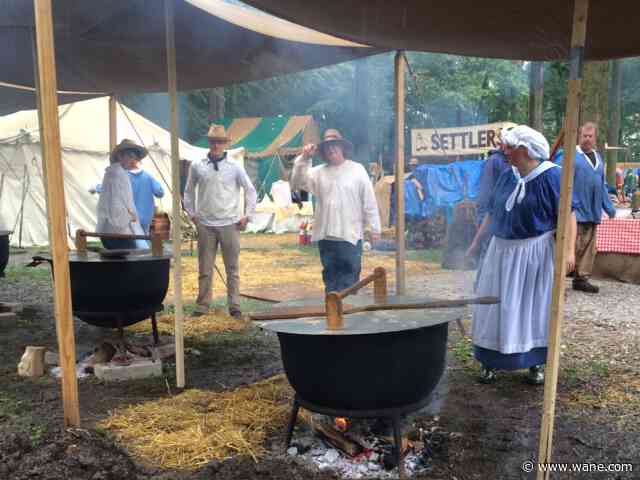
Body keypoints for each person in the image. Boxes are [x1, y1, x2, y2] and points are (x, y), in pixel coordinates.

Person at [466, 125, 577, 385]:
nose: (504, 151)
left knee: (532, 308)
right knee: (493, 307)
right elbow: (493, 212)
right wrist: (475, 243)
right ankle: (489, 361)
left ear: (524, 151)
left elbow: (569, 214)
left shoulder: (553, 177)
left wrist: (570, 250)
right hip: (500, 251)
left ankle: (535, 363)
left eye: (509, 147)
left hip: (534, 254)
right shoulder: (508, 175)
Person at [291, 128, 381, 293]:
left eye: (335, 145)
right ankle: (332, 316)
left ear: (342, 148)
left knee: (350, 283)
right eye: (327, 146)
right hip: (326, 237)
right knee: (331, 283)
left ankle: (350, 316)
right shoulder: (317, 173)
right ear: (323, 151)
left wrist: (375, 229)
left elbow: (369, 201)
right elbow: (296, 186)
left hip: (350, 236)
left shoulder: (357, 169)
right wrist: (304, 159)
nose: (331, 149)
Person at [184, 125, 257, 319]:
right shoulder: (197, 164)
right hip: (206, 224)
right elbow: (189, 191)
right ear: (209, 142)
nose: (216, 145)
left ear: (225, 144)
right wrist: (191, 213)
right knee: (205, 268)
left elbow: (250, 190)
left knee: (232, 268)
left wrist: (247, 215)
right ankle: (202, 305)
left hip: (230, 224)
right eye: (213, 141)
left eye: (220, 142)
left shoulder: (234, 166)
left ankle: (234, 306)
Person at [555, 122, 616, 294]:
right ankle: (557, 279)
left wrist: (609, 207)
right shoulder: (568, 155)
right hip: (575, 211)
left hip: (593, 211)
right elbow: (559, 181)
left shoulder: (599, 158)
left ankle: (581, 279)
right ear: (579, 136)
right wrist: (569, 205)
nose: (587, 139)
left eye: (590, 136)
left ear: (595, 138)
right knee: (571, 245)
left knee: (589, 248)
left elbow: (601, 185)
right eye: (584, 136)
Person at [96, 139, 147, 249]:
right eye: (130, 156)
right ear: (120, 156)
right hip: (117, 231)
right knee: (130, 262)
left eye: (135, 157)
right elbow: (116, 206)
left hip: (110, 230)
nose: (133, 160)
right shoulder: (118, 174)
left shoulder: (113, 172)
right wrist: (131, 217)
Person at [128, 156, 165, 235]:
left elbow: (110, 188)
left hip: (130, 216)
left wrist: (97, 188)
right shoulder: (148, 176)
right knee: (145, 238)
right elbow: (160, 192)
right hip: (146, 217)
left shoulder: (125, 176)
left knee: (132, 240)